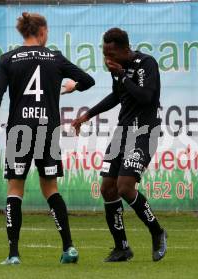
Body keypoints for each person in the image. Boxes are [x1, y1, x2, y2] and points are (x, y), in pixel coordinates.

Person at [0, 12, 95, 265]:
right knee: (50, 188)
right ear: (42, 31)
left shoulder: (8, 59)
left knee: (15, 189)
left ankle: (13, 254)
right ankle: (69, 248)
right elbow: (88, 80)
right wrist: (72, 87)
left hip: (18, 130)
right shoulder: (54, 57)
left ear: (24, 32)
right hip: (47, 129)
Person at [71, 27, 167, 262]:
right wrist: (88, 114)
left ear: (125, 49)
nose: (108, 59)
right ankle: (122, 247)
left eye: (112, 54)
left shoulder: (146, 63)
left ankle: (157, 231)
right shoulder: (117, 70)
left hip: (144, 132)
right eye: (105, 54)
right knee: (107, 188)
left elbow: (145, 96)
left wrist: (123, 74)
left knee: (125, 187)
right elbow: (118, 96)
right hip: (122, 133)